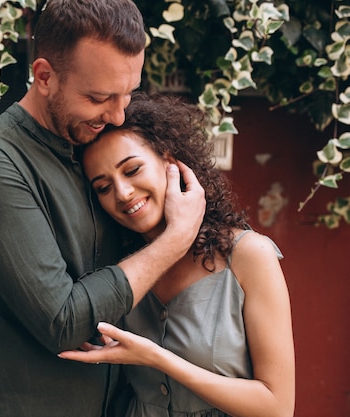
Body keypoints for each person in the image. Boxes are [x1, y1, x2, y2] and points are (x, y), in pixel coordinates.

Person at [0, 0, 207, 415]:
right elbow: (63, 322)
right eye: (100, 96)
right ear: (44, 76)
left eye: (128, 94)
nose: (118, 114)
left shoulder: (92, 146)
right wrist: (177, 239)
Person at [59, 92, 296, 417]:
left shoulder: (247, 255)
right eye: (103, 187)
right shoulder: (119, 269)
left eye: (132, 170)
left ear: (170, 162)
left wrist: (155, 357)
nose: (123, 193)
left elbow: (278, 407)